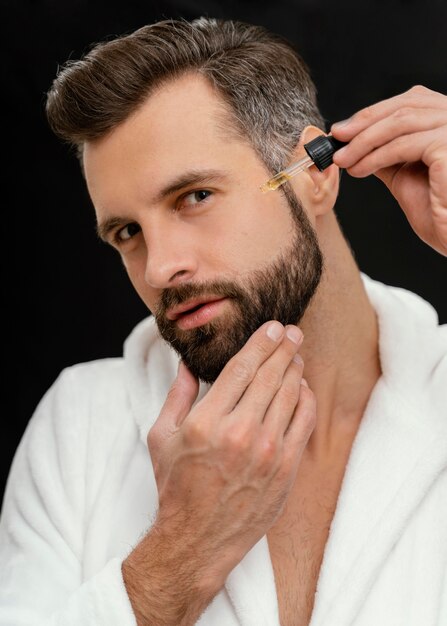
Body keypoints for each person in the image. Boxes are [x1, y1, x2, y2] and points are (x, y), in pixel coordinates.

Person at [1, 16, 446, 626]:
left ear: (315, 173)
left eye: (195, 197)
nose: (159, 269)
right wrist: (182, 551)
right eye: (127, 232)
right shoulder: (80, 425)